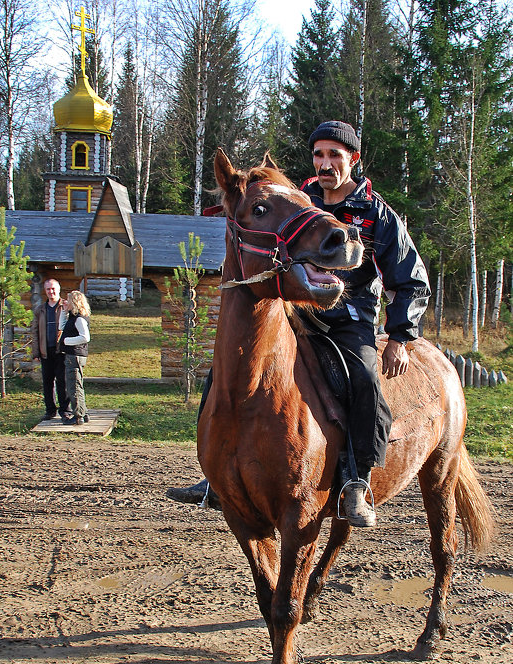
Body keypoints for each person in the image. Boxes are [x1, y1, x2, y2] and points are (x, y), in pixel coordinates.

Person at [167, 121, 431, 525]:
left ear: (352, 160)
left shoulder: (376, 213)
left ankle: (356, 481)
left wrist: (399, 335)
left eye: (335, 156)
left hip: (349, 318)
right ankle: (215, 475)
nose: (325, 164)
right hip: (294, 311)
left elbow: (411, 280)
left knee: (364, 378)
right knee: (228, 367)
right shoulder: (298, 198)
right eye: (319, 155)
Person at [31, 278, 72, 421]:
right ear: (45, 291)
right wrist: (36, 352)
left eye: (53, 288)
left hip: (61, 351)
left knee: (63, 381)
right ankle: (50, 410)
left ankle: (65, 410)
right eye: (48, 289)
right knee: (48, 382)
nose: (51, 291)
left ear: (59, 289)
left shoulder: (65, 306)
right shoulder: (40, 309)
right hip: (45, 350)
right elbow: (35, 331)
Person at [60, 290, 91, 426]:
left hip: (75, 355)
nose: (66, 302)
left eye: (68, 300)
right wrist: (63, 311)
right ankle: (83, 414)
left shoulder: (79, 319)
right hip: (74, 355)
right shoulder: (73, 317)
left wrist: (67, 341)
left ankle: (78, 416)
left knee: (74, 386)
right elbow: (61, 327)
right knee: (77, 385)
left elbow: (85, 337)